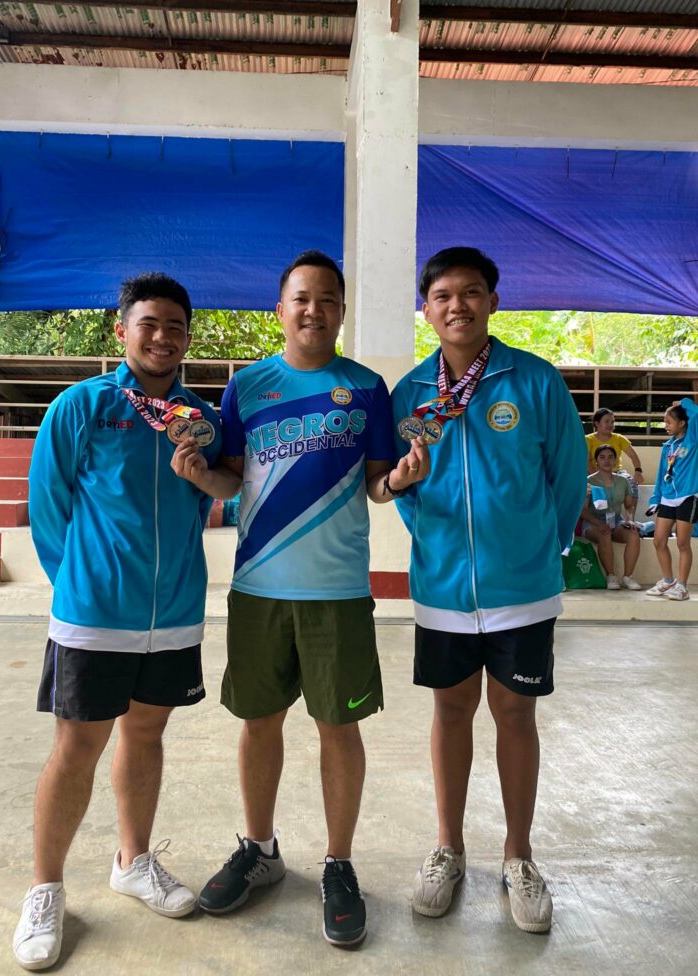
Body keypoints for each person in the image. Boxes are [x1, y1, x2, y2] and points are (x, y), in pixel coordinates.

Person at [171, 249, 428, 947]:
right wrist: (199, 475)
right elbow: (231, 482)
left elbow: (377, 486)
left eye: (328, 299)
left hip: (338, 593)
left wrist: (402, 477)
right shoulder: (247, 387)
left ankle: (339, 863)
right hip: (258, 587)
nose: (315, 310)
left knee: (338, 728)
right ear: (280, 310)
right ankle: (260, 850)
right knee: (259, 724)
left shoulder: (366, 388)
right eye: (302, 298)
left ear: (341, 312)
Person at [14, 273, 221, 971]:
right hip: (95, 614)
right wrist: (80, 581)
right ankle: (46, 888)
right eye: (149, 324)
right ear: (121, 330)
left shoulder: (201, 416)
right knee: (77, 748)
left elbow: (203, 504)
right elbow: (50, 511)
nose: (163, 337)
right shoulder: (81, 407)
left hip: (174, 614)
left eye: (176, 326)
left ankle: (133, 861)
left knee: (147, 733)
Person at [391, 246, 587, 934]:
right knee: (450, 714)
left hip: (523, 590)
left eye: (471, 292)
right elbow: (401, 487)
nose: (457, 306)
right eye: (442, 295)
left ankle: (518, 856)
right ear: (427, 310)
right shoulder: (411, 395)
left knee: (514, 717)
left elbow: (568, 477)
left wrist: (542, 549)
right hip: (443, 589)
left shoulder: (533, 382)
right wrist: (431, 536)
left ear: (493, 301)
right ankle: (448, 848)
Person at [645, 400, 698, 601]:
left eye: (669, 422)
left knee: (683, 543)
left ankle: (682, 586)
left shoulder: (693, 439)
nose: (666, 426)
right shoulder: (668, 446)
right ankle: (668, 581)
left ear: (682, 423)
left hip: (688, 496)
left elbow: (697, 415)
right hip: (667, 498)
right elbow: (661, 474)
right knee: (659, 540)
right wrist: (655, 498)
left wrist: (685, 403)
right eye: (664, 422)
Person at [581, 444, 641, 590]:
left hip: (616, 520)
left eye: (610, 457)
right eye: (602, 457)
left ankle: (628, 577)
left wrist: (630, 518)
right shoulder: (589, 481)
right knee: (605, 533)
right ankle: (611, 576)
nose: (607, 460)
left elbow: (629, 505)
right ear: (596, 461)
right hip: (593, 523)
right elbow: (583, 511)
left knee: (633, 534)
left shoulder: (623, 481)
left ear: (615, 460)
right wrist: (599, 524)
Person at [585, 408, 644, 492]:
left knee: (631, 483)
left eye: (612, 422)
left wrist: (638, 472)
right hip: (594, 472)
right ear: (597, 423)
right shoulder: (588, 439)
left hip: (616, 472)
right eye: (607, 421)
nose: (610, 424)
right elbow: (586, 461)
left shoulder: (619, 438)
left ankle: (631, 505)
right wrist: (596, 476)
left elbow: (633, 456)